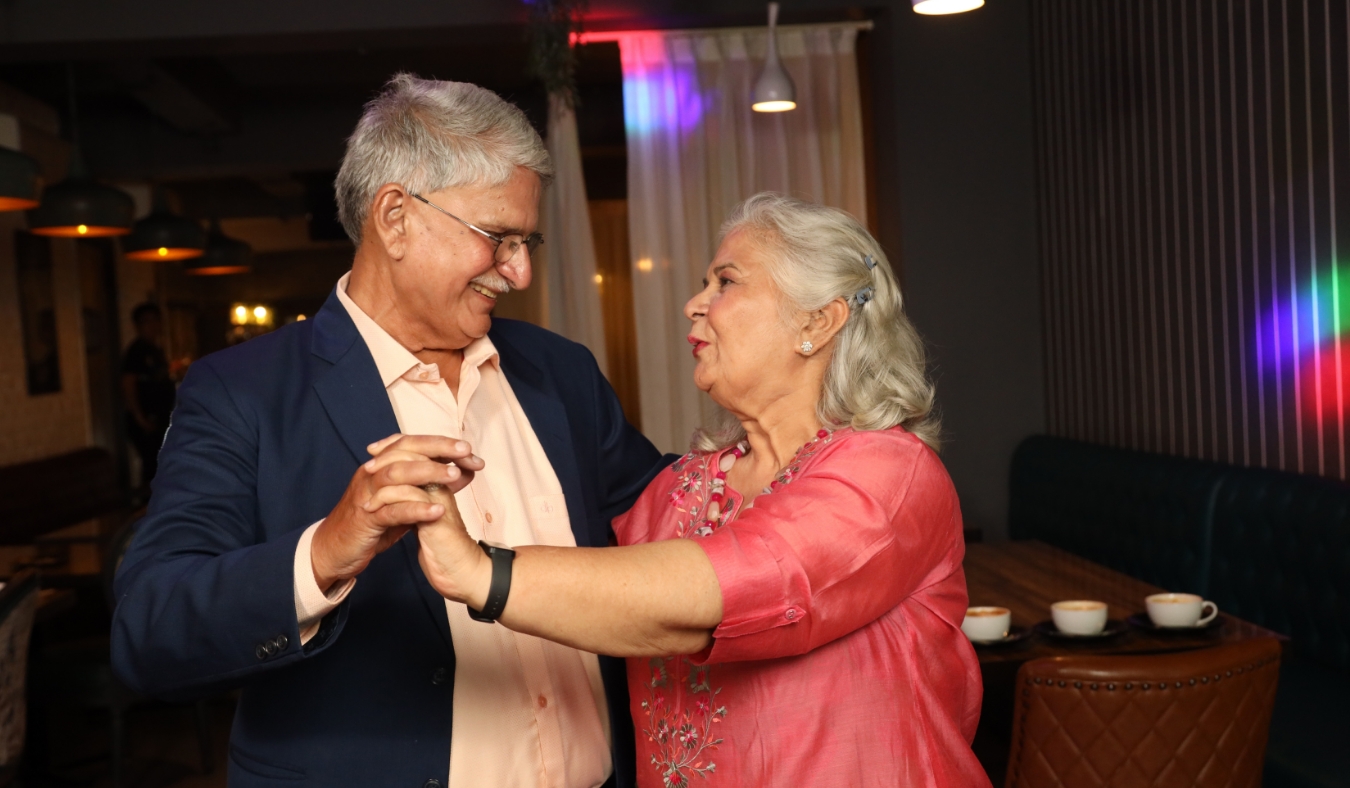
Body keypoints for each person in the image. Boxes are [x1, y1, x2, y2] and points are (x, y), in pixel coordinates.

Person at [111, 74, 667, 788]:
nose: (521, 271)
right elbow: (148, 633)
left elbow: (669, 524)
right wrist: (324, 552)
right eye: (498, 238)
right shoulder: (241, 393)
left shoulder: (561, 372)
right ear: (396, 217)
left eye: (527, 241)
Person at [403, 193, 992, 787]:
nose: (694, 304)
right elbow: (605, 593)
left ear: (817, 321)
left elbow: (731, 589)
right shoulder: (677, 488)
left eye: (726, 282)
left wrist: (480, 571)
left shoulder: (890, 471)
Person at [122, 303, 176, 487]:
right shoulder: (137, 351)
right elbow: (128, 384)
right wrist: (141, 419)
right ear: (138, 326)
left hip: (161, 418)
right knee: (152, 465)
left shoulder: (156, 350)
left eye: (155, 320)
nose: (152, 325)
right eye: (146, 321)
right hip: (147, 420)